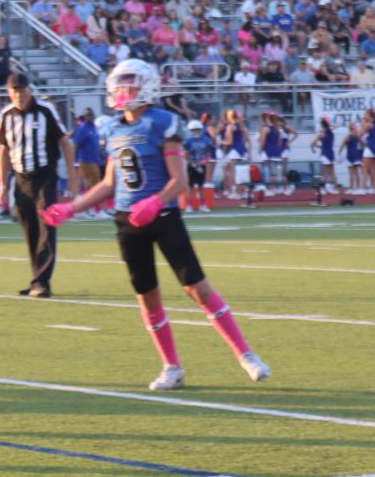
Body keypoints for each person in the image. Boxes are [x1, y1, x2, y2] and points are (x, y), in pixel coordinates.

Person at [43, 59, 271, 389]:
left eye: (130, 84)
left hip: (161, 216)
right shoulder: (112, 128)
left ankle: (246, 354)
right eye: (120, 84)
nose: (123, 91)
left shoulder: (162, 123)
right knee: (147, 296)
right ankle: (171, 366)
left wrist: (155, 201)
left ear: (147, 86)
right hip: (126, 220)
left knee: (197, 288)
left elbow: (179, 180)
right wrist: (72, 207)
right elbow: (109, 183)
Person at [0, 74, 72, 297]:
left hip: (45, 176)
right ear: (9, 92)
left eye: (22, 90)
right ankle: (37, 278)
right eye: (14, 91)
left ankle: (42, 282)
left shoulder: (45, 110)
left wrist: (72, 176)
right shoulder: (5, 116)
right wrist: (2, 184)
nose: (19, 95)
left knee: (47, 226)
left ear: (30, 90)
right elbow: (3, 150)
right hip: (21, 179)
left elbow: (64, 142)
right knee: (30, 229)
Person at [69, 106, 104, 215]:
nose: (89, 117)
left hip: (95, 160)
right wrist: (74, 161)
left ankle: (87, 209)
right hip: (86, 160)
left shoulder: (93, 127)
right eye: (87, 116)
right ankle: (96, 210)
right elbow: (76, 145)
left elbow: (96, 144)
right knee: (95, 186)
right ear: (85, 117)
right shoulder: (83, 128)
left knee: (92, 186)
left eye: (90, 115)